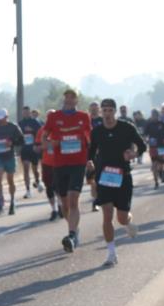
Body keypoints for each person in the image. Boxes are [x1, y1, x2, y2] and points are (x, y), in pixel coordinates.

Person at [89, 99, 145, 266]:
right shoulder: (97, 131)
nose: (106, 114)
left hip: (123, 176)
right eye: (104, 110)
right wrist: (90, 161)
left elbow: (142, 146)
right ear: (101, 112)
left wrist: (133, 154)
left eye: (109, 110)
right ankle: (111, 253)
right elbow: (91, 151)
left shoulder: (126, 128)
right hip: (104, 177)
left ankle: (127, 222)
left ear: (114, 111)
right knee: (107, 215)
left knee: (121, 218)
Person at [45, 89, 92, 252]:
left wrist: (90, 159)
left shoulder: (83, 117)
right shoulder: (54, 117)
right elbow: (44, 138)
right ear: (63, 99)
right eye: (67, 98)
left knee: (73, 200)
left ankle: (71, 235)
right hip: (59, 165)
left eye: (72, 98)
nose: (69, 100)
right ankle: (74, 228)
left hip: (78, 163)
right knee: (64, 204)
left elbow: (89, 139)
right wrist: (51, 144)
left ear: (76, 101)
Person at [0, 108, 25, 215]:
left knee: (10, 180)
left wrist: (12, 142)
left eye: (1, 119)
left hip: (9, 156)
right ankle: (0, 203)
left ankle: (13, 201)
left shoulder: (13, 127)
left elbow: (21, 140)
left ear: (6, 117)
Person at [37, 110, 61, 221]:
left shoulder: (61, 129)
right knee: (49, 187)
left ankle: (61, 206)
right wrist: (44, 146)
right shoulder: (42, 130)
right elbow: (36, 146)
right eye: (48, 117)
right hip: (46, 163)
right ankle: (54, 209)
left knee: (59, 187)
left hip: (60, 162)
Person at [19, 105, 44, 199]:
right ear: (22, 113)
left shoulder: (35, 122)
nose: (25, 114)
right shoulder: (20, 123)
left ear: (29, 113)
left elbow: (41, 133)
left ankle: (38, 181)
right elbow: (17, 135)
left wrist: (37, 145)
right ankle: (28, 190)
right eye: (24, 112)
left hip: (33, 149)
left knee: (35, 169)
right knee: (26, 169)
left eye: (27, 112)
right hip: (25, 149)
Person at [143, 108, 164, 188]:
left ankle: (163, 172)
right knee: (154, 164)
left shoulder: (162, 123)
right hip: (153, 147)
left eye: (156, 115)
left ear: (158, 115)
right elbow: (145, 135)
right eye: (153, 115)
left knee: (162, 161)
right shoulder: (149, 124)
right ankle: (156, 181)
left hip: (162, 146)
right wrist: (146, 140)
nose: (154, 117)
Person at [87, 102, 104, 211]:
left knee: (101, 179)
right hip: (90, 153)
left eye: (95, 108)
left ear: (99, 109)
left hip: (103, 153)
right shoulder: (86, 121)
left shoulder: (103, 121)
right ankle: (95, 200)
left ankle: (99, 199)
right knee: (92, 180)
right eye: (92, 108)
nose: (94, 110)